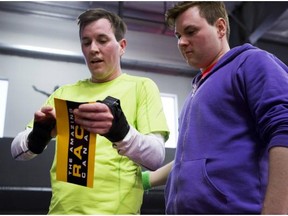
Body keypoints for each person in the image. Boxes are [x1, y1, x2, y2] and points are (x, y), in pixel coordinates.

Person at [11, 8, 169, 214]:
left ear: (122, 46)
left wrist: (121, 132)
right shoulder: (64, 93)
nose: (93, 48)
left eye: (102, 40)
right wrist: (37, 138)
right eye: (86, 42)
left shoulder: (141, 87)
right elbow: (16, 150)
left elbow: (156, 157)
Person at [143, 1, 288, 214]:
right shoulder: (197, 90)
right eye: (178, 36)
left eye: (190, 31)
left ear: (220, 27)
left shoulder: (250, 63)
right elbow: (189, 161)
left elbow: (284, 129)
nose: (182, 42)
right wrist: (145, 179)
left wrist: (276, 211)